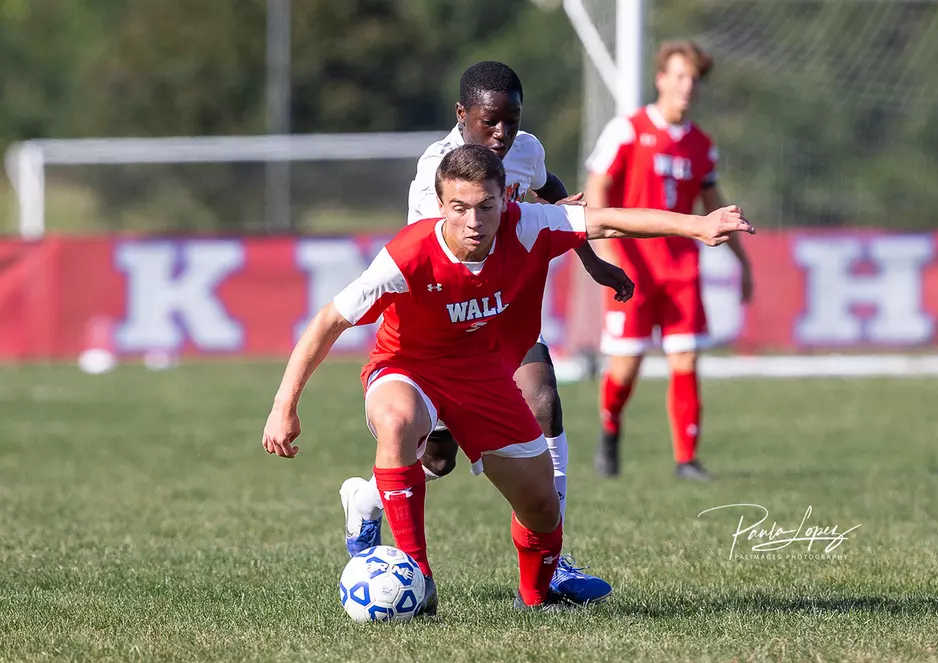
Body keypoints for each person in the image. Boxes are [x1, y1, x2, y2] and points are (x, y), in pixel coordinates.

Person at [262, 144, 753, 612]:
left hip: (485, 379)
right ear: (440, 205)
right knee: (397, 421)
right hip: (407, 368)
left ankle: (536, 597)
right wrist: (285, 405)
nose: (473, 221)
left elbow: (607, 221)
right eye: (459, 208)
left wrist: (697, 225)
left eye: (486, 206)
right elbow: (327, 321)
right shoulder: (407, 257)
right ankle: (419, 577)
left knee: (541, 505)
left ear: (505, 200)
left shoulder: (530, 223)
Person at [339, 61, 632, 605]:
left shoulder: (526, 149)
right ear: (462, 116)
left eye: (512, 121)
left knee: (543, 400)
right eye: (490, 121)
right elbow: (465, 235)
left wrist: (588, 258)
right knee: (435, 458)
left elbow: (553, 191)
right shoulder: (438, 168)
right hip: (444, 330)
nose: (502, 134)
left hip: (504, 316)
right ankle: (367, 503)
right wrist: (537, 216)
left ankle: (554, 559)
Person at [584, 40, 754, 481]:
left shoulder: (701, 145)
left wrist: (744, 263)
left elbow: (715, 203)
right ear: (661, 79)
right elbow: (597, 187)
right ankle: (609, 430)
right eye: (678, 76)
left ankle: (686, 460)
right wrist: (607, 250)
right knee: (627, 364)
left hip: (680, 269)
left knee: (686, 360)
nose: (686, 86)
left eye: (693, 79)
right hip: (632, 265)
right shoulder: (628, 129)